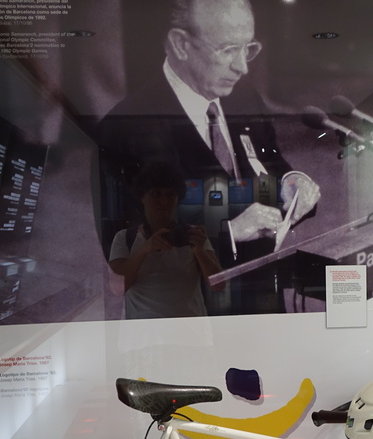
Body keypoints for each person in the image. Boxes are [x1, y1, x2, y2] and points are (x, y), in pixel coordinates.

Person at [99, 0, 319, 260]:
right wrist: (228, 233)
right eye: (228, 50)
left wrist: (291, 182)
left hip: (262, 274)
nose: (242, 67)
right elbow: (125, 245)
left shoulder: (244, 97)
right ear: (181, 44)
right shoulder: (126, 128)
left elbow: (267, 161)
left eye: (248, 48)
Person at [109, 161, 222, 319]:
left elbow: (218, 285)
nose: (164, 201)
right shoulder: (125, 238)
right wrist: (144, 249)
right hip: (143, 333)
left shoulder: (192, 236)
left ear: (177, 198)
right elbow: (116, 288)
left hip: (191, 330)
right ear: (142, 197)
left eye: (170, 195)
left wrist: (200, 251)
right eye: (156, 194)